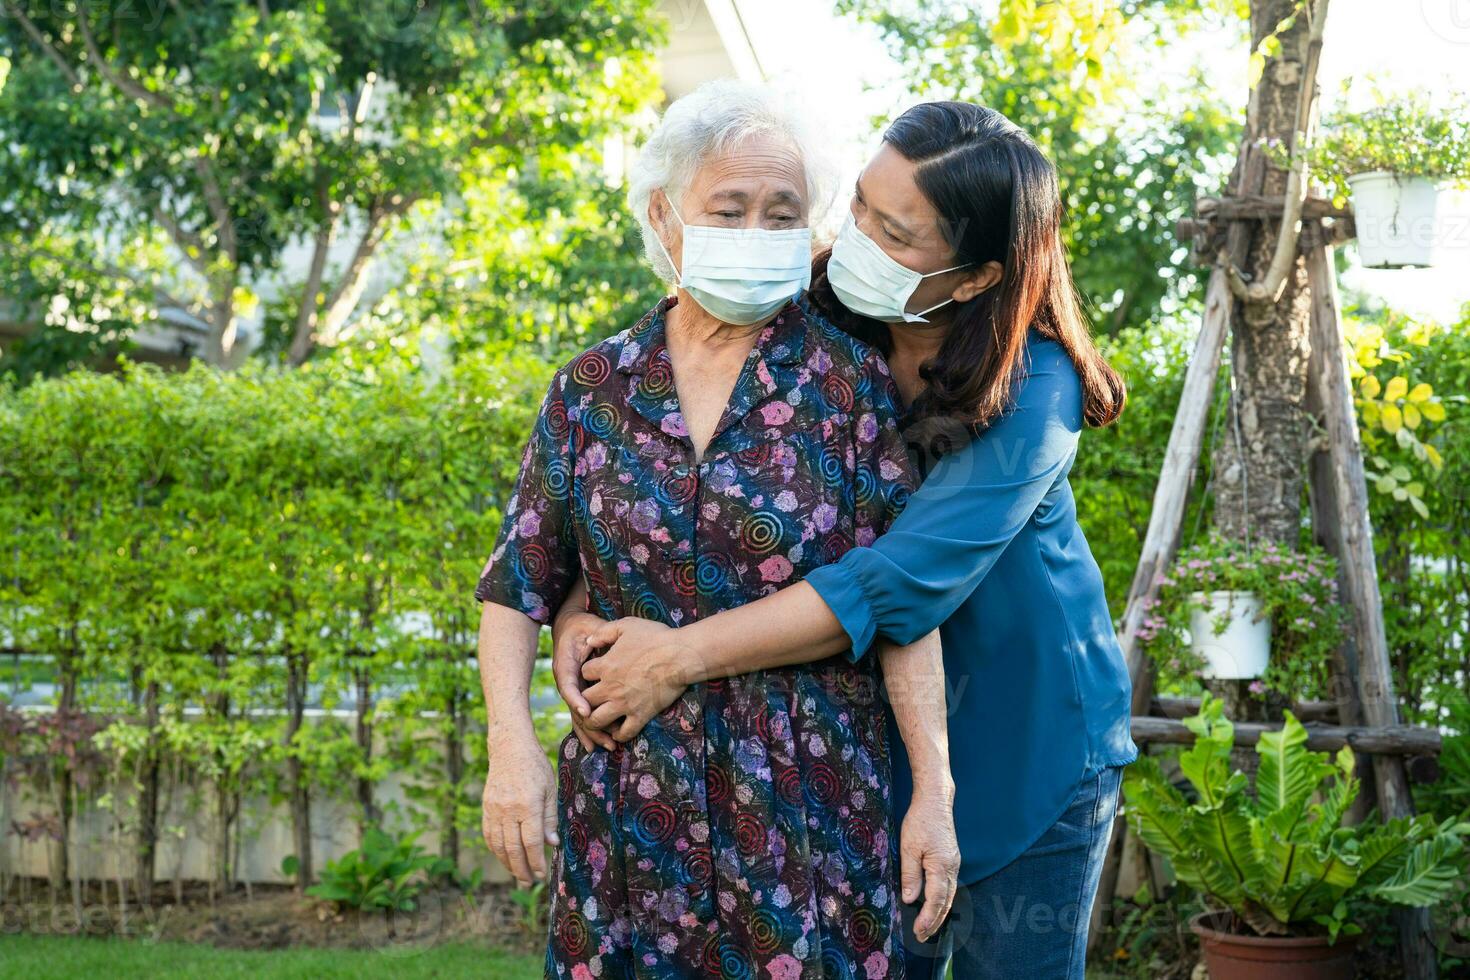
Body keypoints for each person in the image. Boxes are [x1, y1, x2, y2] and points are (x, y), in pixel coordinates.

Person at [557, 101, 1138, 980]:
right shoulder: (818, 306)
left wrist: (673, 657)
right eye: (860, 204)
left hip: (1028, 742)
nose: (854, 237)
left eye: (895, 233)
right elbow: (645, 449)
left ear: (976, 275)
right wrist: (579, 605)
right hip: (866, 741)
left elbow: (895, 581)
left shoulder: (1035, 386)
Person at [475, 80, 959, 978]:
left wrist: (933, 789)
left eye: (780, 213)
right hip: (628, 800)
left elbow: (902, 605)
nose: (755, 233)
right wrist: (512, 749)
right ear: (664, 218)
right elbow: (519, 584)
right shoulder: (591, 390)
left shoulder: (849, 386)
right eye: (726, 209)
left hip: (806, 809)